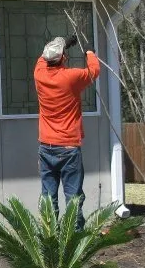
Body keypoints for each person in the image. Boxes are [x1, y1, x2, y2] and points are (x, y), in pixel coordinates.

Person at [33, 35, 100, 229]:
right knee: (73, 198)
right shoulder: (71, 77)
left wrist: (62, 43)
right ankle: (74, 238)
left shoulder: (39, 73)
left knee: (48, 197)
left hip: (46, 146)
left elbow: (42, 57)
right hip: (69, 147)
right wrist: (89, 51)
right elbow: (94, 70)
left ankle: (49, 236)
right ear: (63, 58)